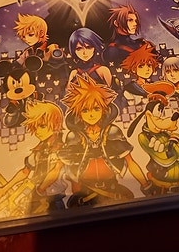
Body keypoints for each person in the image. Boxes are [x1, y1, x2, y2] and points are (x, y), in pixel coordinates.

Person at [58, 75, 152, 207]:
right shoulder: (74, 136)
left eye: (96, 108)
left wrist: (146, 185)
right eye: (85, 110)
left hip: (112, 188)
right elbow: (68, 168)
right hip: (84, 193)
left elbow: (130, 162)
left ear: (104, 109)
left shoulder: (112, 132)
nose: (91, 114)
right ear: (78, 113)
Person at [0, 99, 67, 213]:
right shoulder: (39, 151)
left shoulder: (61, 149)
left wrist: (39, 191)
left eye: (42, 126)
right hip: (36, 198)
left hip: (53, 200)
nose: (37, 131)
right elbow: (25, 172)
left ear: (56, 125)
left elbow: (55, 172)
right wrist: (3, 190)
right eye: (35, 127)